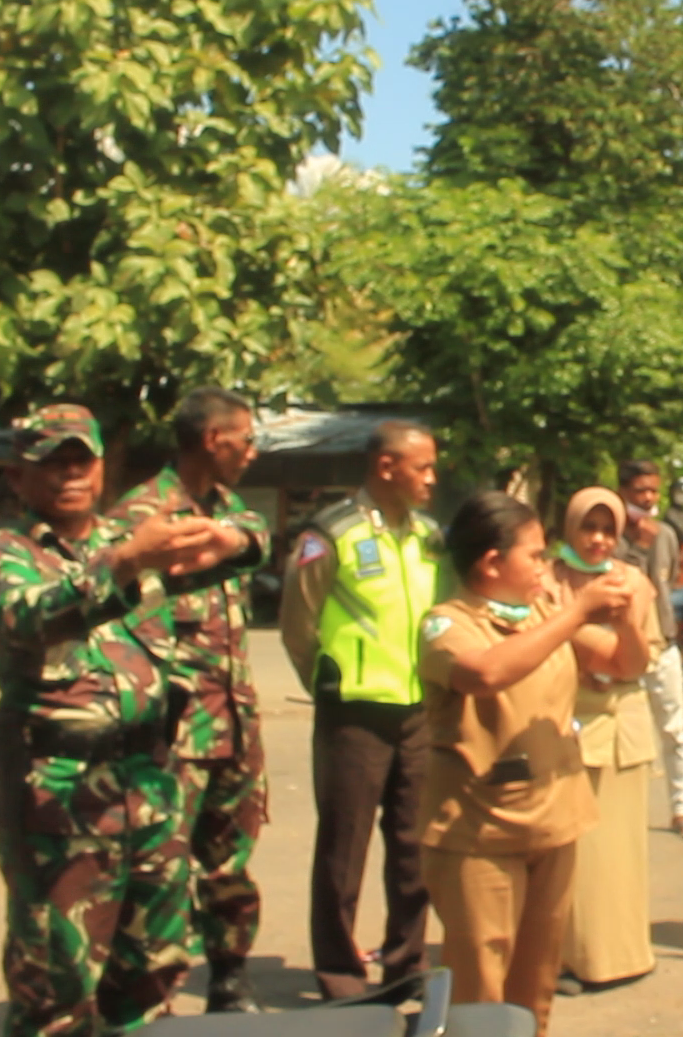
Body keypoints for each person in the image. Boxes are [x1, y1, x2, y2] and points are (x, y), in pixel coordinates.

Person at [0, 404, 256, 1036]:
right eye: (51, 463)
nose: (69, 475)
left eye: (81, 460)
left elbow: (244, 547)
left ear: (101, 468)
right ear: (19, 478)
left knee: (154, 966)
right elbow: (30, 616)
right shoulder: (5, 551)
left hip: (152, 784)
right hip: (61, 794)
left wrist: (231, 537)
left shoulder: (129, 537)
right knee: (57, 978)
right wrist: (126, 563)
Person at [416, 492, 645, 1035]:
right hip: (481, 833)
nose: (545, 567)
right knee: (479, 990)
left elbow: (625, 664)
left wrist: (627, 618)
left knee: (534, 985)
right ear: (491, 563)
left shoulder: (544, 615)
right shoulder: (447, 624)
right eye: (535, 556)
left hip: (554, 820)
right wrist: (577, 612)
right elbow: (487, 673)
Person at [106, 388, 272, 1013]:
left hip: (233, 717)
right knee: (164, 870)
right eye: (246, 440)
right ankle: (155, 997)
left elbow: (259, 541)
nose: (252, 453)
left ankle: (230, 977)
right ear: (212, 439)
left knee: (231, 862)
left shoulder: (228, 508)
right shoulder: (145, 514)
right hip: (175, 725)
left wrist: (230, 538)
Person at [281, 420, 444, 1001]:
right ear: (385, 467)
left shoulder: (428, 535)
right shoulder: (332, 533)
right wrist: (330, 682)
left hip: (418, 710)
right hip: (353, 713)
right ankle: (340, 974)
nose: (432, 478)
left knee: (414, 847)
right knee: (343, 848)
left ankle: (406, 965)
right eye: (422, 467)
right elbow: (299, 626)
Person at [550, 488, 664, 994]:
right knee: (571, 854)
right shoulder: (547, 580)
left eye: (607, 530)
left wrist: (608, 650)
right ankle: (568, 958)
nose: (597, 540)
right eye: (587, 527)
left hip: (625, 727)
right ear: (568, 527)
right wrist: (602, 647)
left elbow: (646, 655)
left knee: (621, 853)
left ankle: (623, 954)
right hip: (567, 723)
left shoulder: (634, 582)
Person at [617, 460, 683, 838]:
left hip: (663, 643)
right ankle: (626, 814)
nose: (647, 499)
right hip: (622, 648)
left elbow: (667, 581)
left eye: (652, 491)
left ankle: (680, 811)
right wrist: (638, 550)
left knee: (674, 732)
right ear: (623, 494)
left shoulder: (665, 534)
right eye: (639, 492)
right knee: (628, 734)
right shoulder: (611, 535)